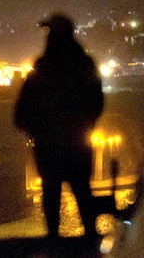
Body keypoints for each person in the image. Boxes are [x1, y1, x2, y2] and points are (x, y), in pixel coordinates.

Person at [14, 13, 104, 240]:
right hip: (78, 141)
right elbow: (97, 101)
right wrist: (87, 124)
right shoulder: (84, 64)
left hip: (49, 144)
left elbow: (24, 107)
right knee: (82, 190)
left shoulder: (43, 67)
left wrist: (31, 128)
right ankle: (90, 239)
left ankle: (53, 239)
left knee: (51, 192)